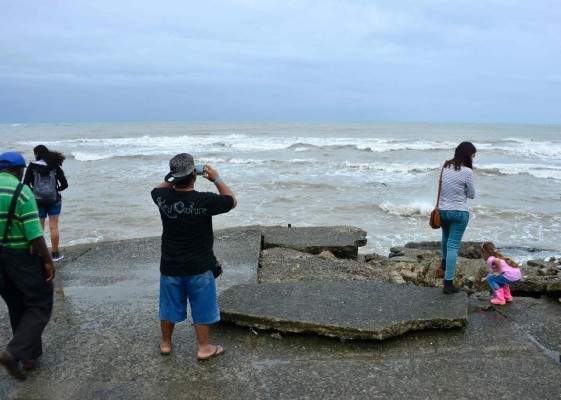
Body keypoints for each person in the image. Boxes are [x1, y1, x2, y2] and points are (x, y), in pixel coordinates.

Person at [151, 153, 237, 360]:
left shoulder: (161, 197)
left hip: (170, 265)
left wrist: (173, 176)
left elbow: (157, 188)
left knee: (168, 305)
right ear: (194, 176)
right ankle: (204, 348)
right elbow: (231, 201)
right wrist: (215, 178)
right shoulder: (204, 200)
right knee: (202, 306)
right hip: (199, 266)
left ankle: (165, 344)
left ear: (173, 178)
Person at [0, 152, 55, 381]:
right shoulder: (22, 192)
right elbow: (34, 233)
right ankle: (14, 353)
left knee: (16, 305)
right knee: (40, 304)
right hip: (21, 257)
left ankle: (30, 357)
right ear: (20, 171)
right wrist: (47, 261)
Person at [434, 142, 477, 294]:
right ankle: (448, 284)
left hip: (443, 212)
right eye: (473, 156)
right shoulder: (467, 172)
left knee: (445, 236)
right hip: (459, 212)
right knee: (453, 246)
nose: (473, 159)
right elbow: (471, 194)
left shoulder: (445, 167)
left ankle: (443, 265)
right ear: (468, 155)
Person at [23, 144, 68, 261]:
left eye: (35, 153)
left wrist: (34, 193)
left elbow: (25, 184)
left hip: (37, 201)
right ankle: (55, 254)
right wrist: (56, 190)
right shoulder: (54, 166)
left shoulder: (32, 167)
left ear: (37, 154)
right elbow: (64, 184)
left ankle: (39, 254)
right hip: (54, 200)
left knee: (39, 228)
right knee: (54, 227)